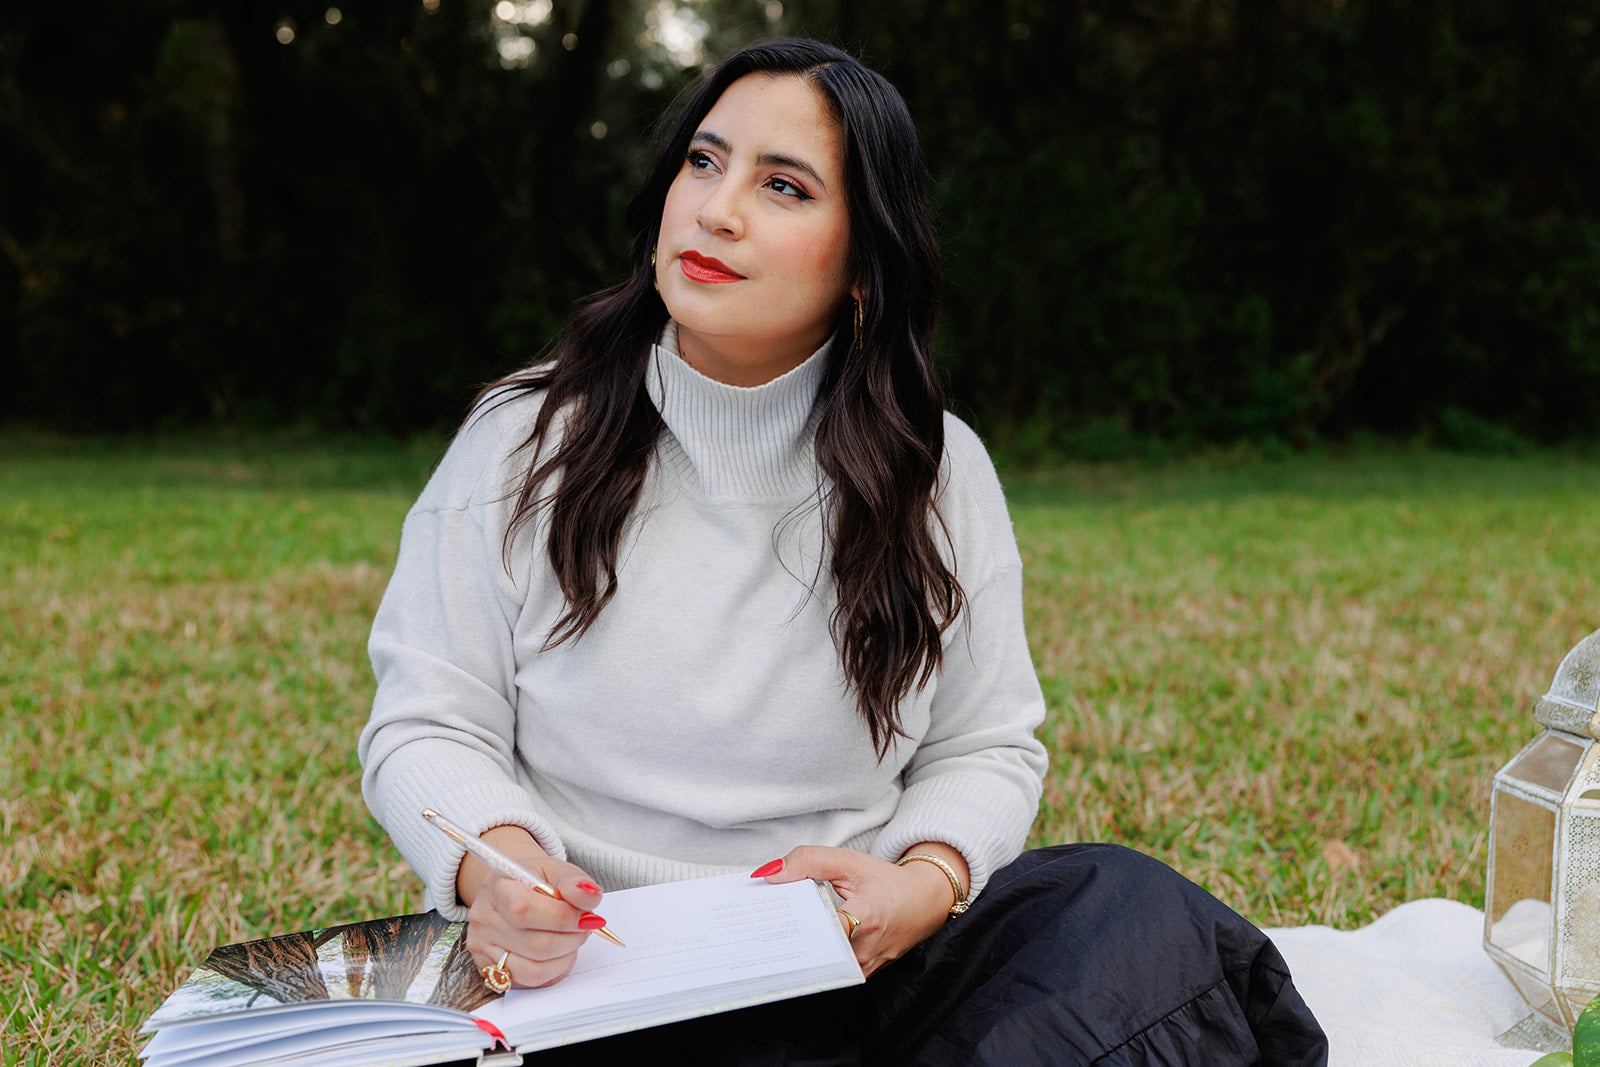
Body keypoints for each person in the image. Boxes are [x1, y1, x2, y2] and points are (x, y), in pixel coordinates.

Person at [358, 37, 1327, 1065]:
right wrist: (501, 873)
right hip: (586, 983)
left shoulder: (936, 468)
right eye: (702, 161)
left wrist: (922, 886)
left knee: (1124, 909)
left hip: (849, 971)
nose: (717, 209)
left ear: (864, 265)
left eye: (782, 186)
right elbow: (428, 720)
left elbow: (984, 746)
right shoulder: (524, 438)